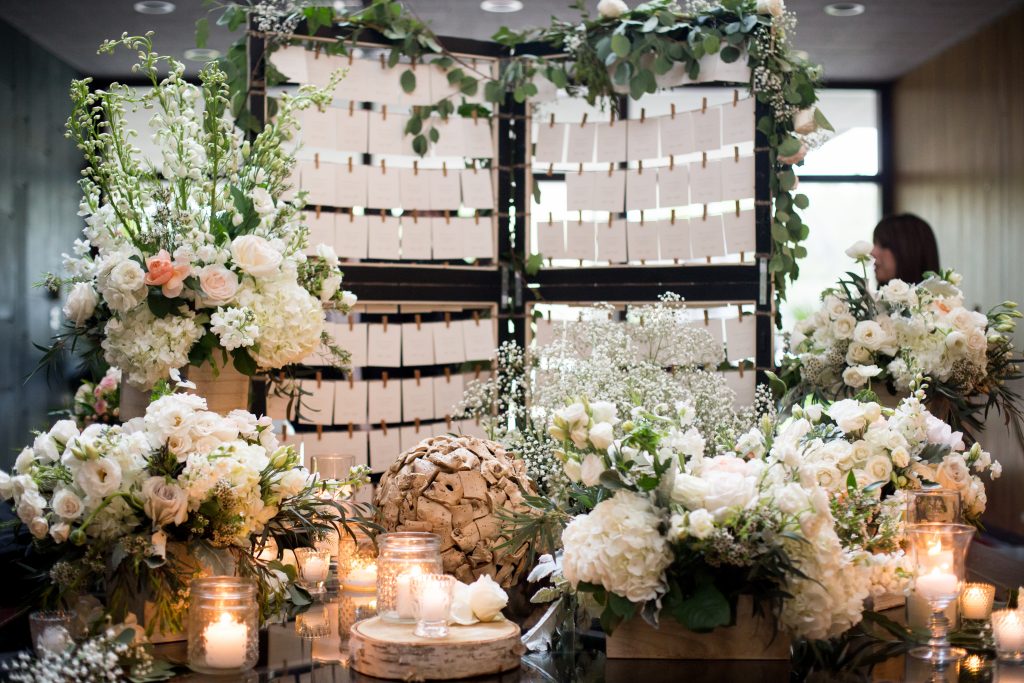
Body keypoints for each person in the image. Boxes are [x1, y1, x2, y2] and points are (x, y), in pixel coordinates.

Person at [870, 213, 940, 285]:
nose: (872, 252)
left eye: (883, 245)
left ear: (909, 251)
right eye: (874, 243)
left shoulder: (942, 296)